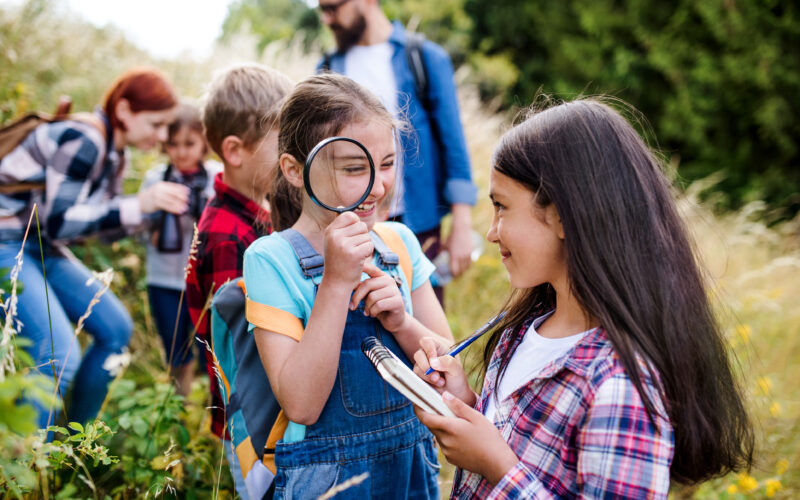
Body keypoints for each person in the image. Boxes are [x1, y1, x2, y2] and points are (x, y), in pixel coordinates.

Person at [413, 98, 755, 498]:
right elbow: (519, 438)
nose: (491, 232)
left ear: (559, 214)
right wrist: (465, 405)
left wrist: (497, 467)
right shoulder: (524, 330)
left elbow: (505, 460)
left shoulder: (621, 386)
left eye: (501, 207)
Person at [243, 73, 452, 499]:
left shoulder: (399, 243)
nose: (379, 186)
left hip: (411, 469)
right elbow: (301, 404)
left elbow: (447, 372)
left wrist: (402, 323)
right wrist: (335, 284)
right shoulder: (270, 259)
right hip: (327, 482)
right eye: (356, 168)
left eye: (389, 163)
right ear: (294, 171)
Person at [0, 68, 186, 428]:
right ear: (125, 110)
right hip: (6, 240)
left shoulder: (116, 157)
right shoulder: (85, 139)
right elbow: (60, 222)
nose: (162, 136)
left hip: (38, 244)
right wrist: (138, 204)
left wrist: (149, 217)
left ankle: (75, 441)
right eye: (156, 124)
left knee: (116, 328)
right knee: (56, 354)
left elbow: (93, 228)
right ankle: (30, 469)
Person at [317, 0, 477, 305]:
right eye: (322, 10)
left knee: (424, 321)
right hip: (354, 222)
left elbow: (453, 143)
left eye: (333, 7)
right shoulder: (328, 69)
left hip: (420, 224)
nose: (327, 19)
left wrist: (462, 224)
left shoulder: (425, 58)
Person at [183, 63, 293, 499]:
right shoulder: (228, 235)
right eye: (282, 144)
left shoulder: (254, 213)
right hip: (254, 423)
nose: (292, 157)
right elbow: (244, 349)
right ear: (235, 151)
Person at [139, 101, 221, 396]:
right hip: (163, 279)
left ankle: (214, 413)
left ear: (204, 143)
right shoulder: (156, 179)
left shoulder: (215, 177)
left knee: (212, 354)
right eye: (173, 144)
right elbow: (139, 229)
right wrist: (158, 226)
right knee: (176, 350)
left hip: (205, 281)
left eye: (190, 143)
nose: (182, 152)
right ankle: (178, 410)